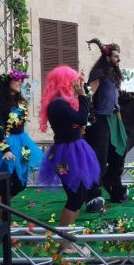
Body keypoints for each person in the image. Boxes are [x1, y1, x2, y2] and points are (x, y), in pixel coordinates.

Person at [38, 66, 101, 254]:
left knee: (79, 196)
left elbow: (84, 118)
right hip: (66, 154)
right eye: (73, 81)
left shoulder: (64, 103)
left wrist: (82, 98)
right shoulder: (57, 104)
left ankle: (67, 239)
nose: (77, 84)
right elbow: (82, 119)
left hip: (74, 150)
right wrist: (83, 96)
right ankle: (63, 243)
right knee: (74, 198)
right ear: (65, 82)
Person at [0, 68, 43, 219]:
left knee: (21, 184)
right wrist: (6, 149)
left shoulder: (19, 100)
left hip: (23, 143)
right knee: (5, 183)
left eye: (21, 80)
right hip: (5, 144)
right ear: (7, 82)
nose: (20, 82)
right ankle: (2, 216)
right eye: (16, 80)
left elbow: (20, 119)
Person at [83, 38, 133, 212]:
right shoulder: (98, 73)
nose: (119, 59)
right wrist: (88, 115)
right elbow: (88, 94)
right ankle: (93, 195)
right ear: (107, 57)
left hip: (114, 119)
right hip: (100, 120)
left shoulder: (113, 73)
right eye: (116, 56)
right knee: (99, 158)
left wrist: (132, 95)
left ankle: (114, 186)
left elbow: (114, 94)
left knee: (119, 153)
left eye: (119, 56)